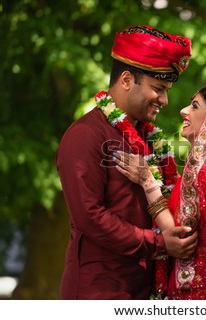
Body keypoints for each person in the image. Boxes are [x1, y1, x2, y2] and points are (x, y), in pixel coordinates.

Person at [55, 25, 198, 299]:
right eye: (158, 88)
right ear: (125, 80)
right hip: (99, 292)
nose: (165, 100)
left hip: (145, 291)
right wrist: (158, 244)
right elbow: (90, 217)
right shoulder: (85, 136)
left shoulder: (148, 137)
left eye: (167, 90)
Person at [113, 86, 206, 299]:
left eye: (194, 106)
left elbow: (180, 236)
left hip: (197, 291)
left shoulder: (203, 170)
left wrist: (147, 180)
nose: (184, 111)